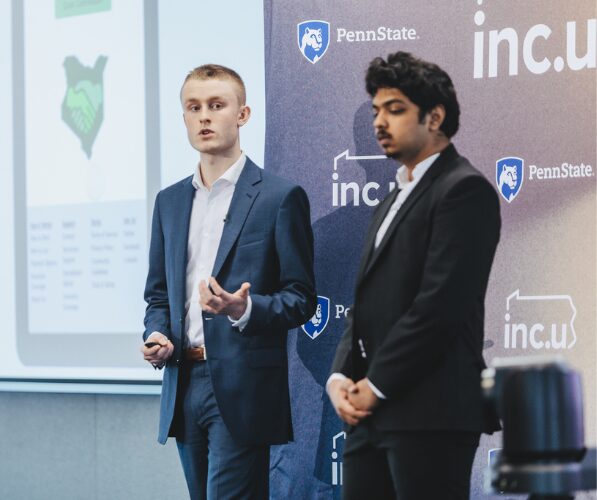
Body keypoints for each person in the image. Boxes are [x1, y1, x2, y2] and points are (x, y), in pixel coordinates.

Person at [327, 52, 501, 500]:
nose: (380, 122)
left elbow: (439, 307)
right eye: (376, 111)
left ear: (435, 117)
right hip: (370, 417)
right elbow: (365, 304)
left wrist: (377, 385)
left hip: (432, 413)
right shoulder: (391, 199)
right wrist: (341, 376)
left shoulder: (465, 190)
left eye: (396, 109)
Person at [141, 64, 316, 499]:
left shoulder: (279, 196)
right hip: (183, 380)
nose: (204, 116)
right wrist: (157, 333)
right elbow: (159, 295)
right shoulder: (168, 202)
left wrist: (244, 309)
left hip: (243, 386)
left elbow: (301, 298)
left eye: (217, 105)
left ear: (243, 114)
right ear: (183, 118)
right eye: (194, 107)